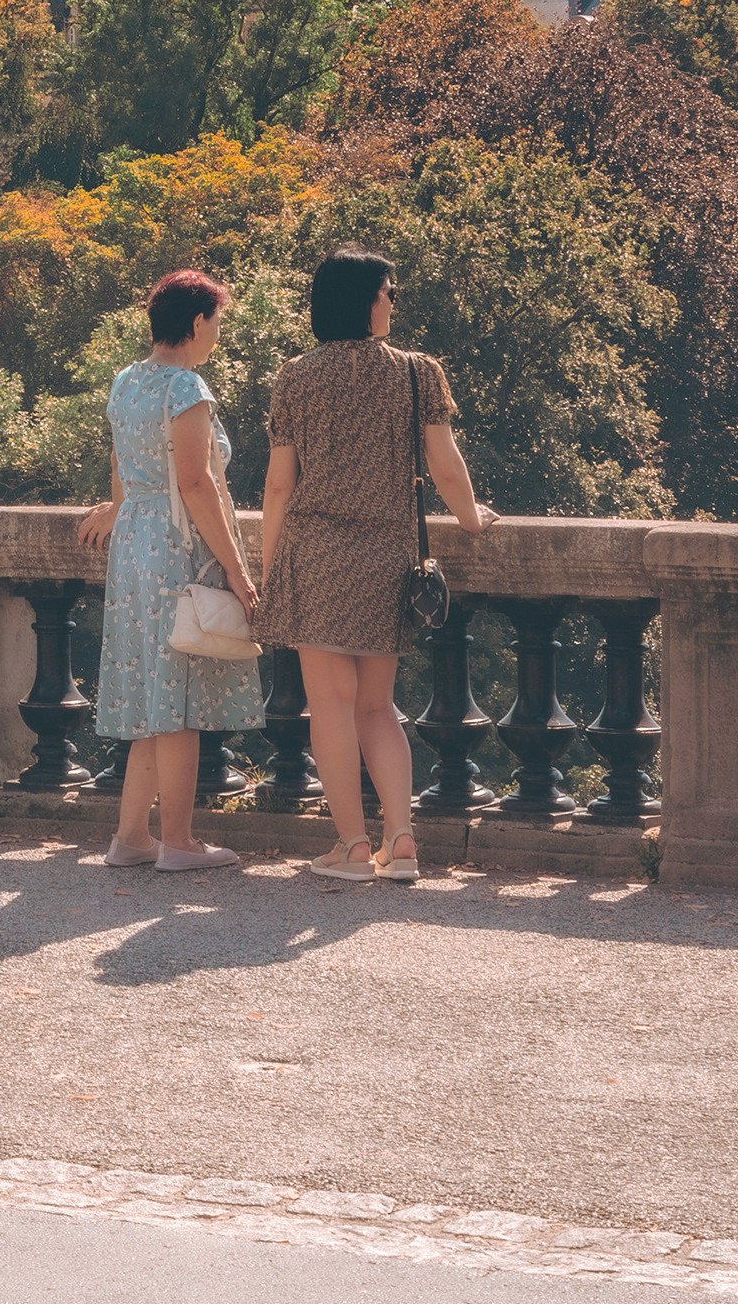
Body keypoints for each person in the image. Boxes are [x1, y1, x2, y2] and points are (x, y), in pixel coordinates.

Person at [256, 246, 497, 882]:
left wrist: (270, 566)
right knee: (377, 706)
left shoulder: (295, 376)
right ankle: (403, 839)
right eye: (387, 291)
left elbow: (279, 485)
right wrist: (472, 519)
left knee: (329, 707)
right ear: (363, 299)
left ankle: (353, 849)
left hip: (317, 552)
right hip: (387, 553)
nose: (392, 301)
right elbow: (443, 465)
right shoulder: (419, 373)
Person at [78, 269, 264, 872]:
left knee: (155, 696)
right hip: (176, 548)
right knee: (178, 700)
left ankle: (131, 837)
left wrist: (119, 505)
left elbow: (123, 465)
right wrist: (237, 572)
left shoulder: (127, 382)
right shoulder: (187, 389)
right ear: (195, 322)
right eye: (215, 320)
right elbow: (195, 482)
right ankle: (179, 843)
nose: (217, 331)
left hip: (135, 544)